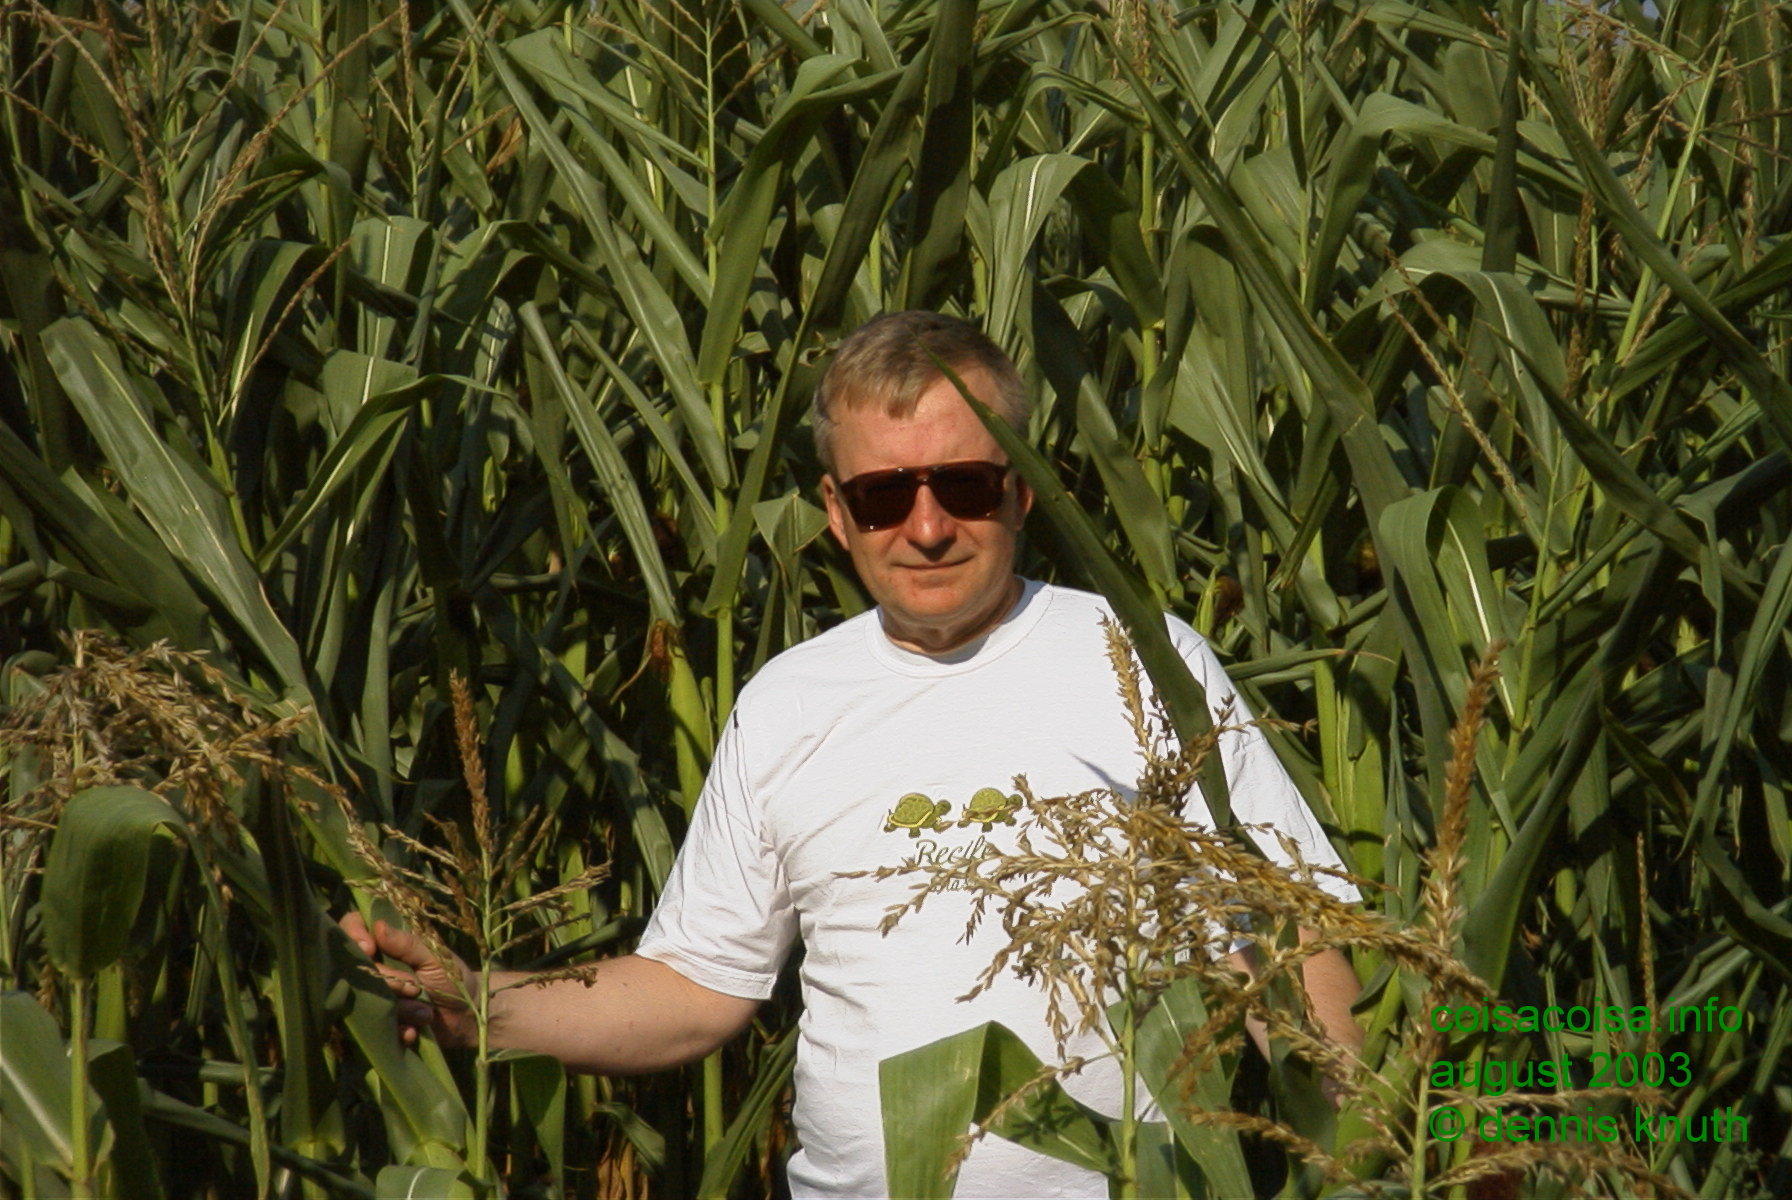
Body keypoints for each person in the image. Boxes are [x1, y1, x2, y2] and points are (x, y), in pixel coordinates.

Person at [343, 311, 1362, 1197]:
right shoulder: (789, 703)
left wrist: (1370, 1152)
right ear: (835, 513)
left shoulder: (1145, 660)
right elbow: (695, 988)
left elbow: (1286, 941)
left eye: (962, 484)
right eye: (883, 496)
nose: (925, 527)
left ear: (1020, 491)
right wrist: (482, 1005)